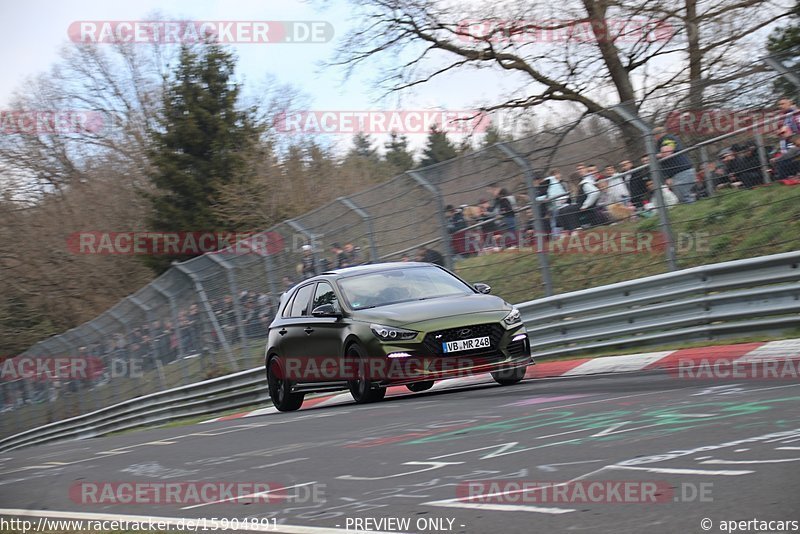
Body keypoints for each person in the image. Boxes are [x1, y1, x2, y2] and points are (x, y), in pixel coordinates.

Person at [653, 126, 697, 203]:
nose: (653, 139)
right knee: (683, 197)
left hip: (682, 172)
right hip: (679, 173)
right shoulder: (663, 141)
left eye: (653, 137)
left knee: (684, 197)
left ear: (657, 135)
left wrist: (655, 156)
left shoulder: (667, 138)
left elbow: (666, 152)